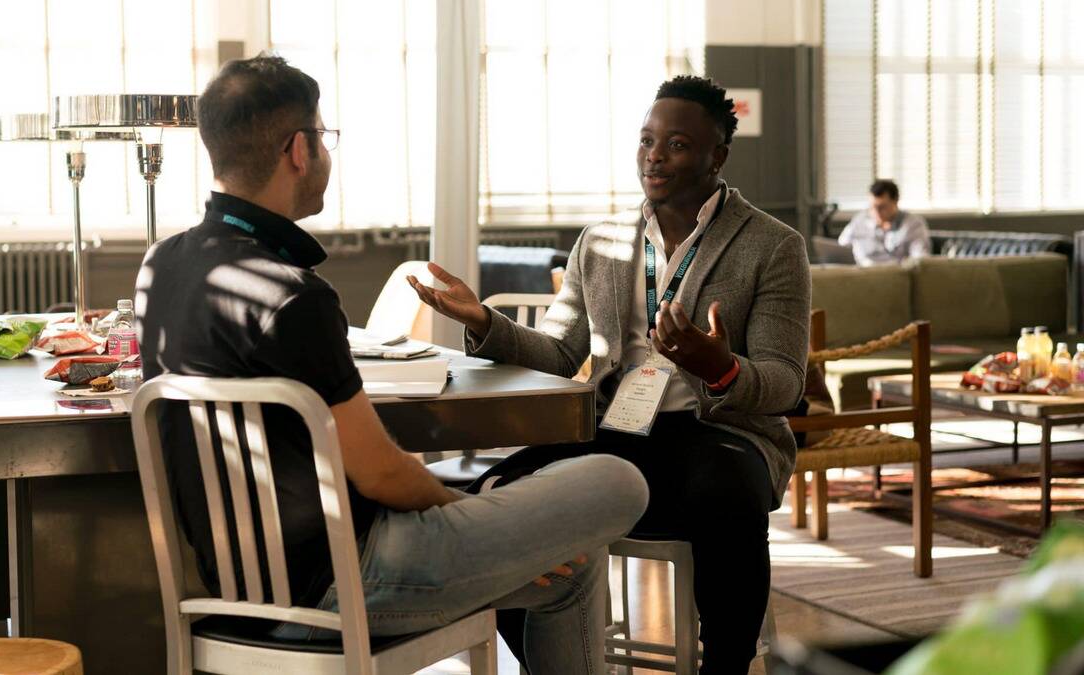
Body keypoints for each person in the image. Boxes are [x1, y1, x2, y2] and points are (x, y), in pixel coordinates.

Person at [135, 55, 648, 674]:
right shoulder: (294, 295)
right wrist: (464, 510)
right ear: (299, 149)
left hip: (232, 591)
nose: (325, 153)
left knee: (574, 562)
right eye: (324, 138)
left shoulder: (162, 266)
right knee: (619, 480)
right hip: (345, 583)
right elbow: (382, 476)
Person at [409, 75, 810, 674]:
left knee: (726, 494)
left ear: (716, 156)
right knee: (501, 498)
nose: (654, 156)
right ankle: (557, 663)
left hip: (722, 433)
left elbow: (785, 381)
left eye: (676, 144)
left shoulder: (773, 245)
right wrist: (485, 322)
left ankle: (724, 667)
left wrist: (720, 367)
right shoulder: (599, 242)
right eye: (646, 140)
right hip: (618, 431)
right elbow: (559, 354)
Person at [837, 179, 931, 265]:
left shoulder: (913, 224)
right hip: (861, 274)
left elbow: (920, 259)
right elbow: (841, 247)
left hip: (895, 275)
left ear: (895, 201)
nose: (876, 212)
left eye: (882, 207)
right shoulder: (860, 220)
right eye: (872, 207)